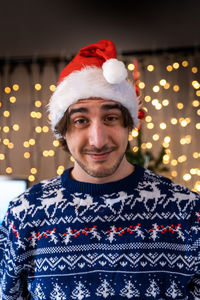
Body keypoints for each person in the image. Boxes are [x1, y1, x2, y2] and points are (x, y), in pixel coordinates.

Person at [0, 40, 200, 300]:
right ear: (63, 131)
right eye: (80, 121)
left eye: (111, 118)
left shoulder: (189, 212)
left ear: (129, 124)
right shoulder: (24, 214)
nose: (98, 140)